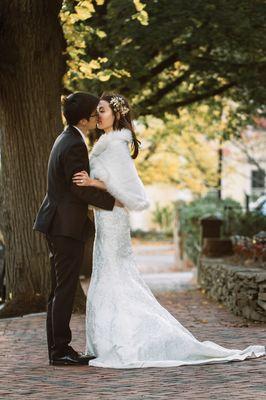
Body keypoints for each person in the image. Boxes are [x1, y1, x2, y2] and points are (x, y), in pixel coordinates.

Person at [72, 93, 265, 369]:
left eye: (101, 110)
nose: (97, 115)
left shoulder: (116, 146)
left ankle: (126, 340)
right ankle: (107, 339)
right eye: (96, 111)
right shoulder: (105, 145)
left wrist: (94, 182)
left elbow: (133, 195)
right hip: (104, 219)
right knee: (105, 277)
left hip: (114, 221)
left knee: (116, 278)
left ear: (115, 114)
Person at [33, 92, 122, 365]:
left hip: (57, 222)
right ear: (84, 119)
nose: (97, 117)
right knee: (65, 289)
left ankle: (57, 349)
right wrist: (114, 201)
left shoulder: (66, 137)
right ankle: (60, 350)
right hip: (64, 225)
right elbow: (77, 187)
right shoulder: (74, 144)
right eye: (95, 114)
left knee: (59, 289)